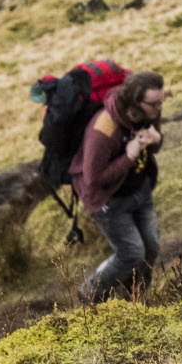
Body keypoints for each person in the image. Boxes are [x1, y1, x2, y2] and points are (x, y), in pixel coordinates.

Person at [71, 68, 166, 301]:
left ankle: (133, 301)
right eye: (154, 103)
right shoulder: (103, 130)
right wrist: (129, 156)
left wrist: (156, 140)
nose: (159, 108)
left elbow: (152, 144)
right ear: (135, 102)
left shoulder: (149, 113)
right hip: (109, 201)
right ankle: (92, 292)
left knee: (151, 248)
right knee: (131, 253)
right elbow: (94, 180)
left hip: (139, 191)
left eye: (162, 100)